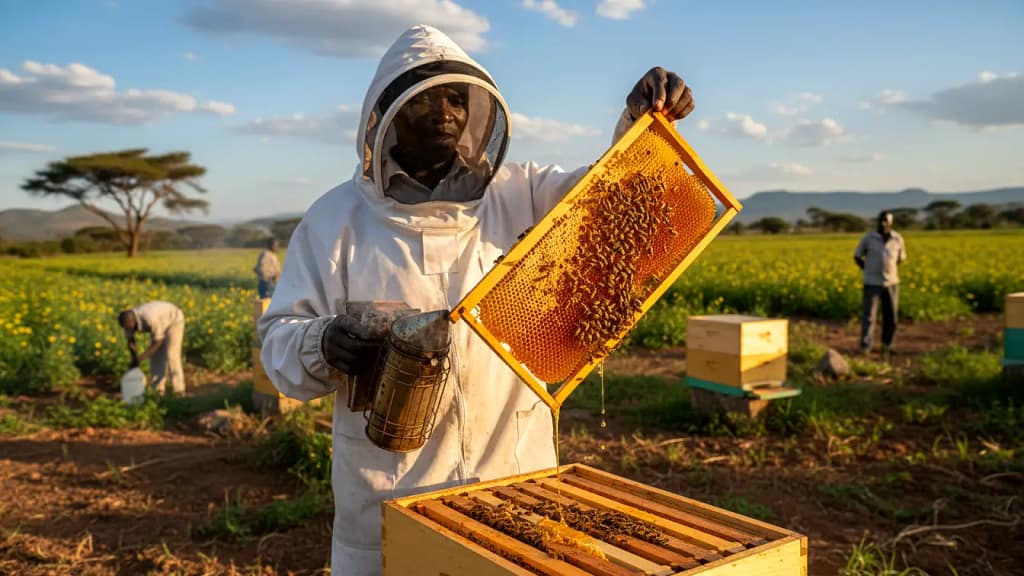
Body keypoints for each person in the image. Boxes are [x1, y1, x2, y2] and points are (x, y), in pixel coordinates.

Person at [258, 24, 695, 575]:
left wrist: (640, 125)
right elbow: (278, 343)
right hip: (389, 502)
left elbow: (611, 201)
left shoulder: (524, 194)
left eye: (456, 99)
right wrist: (321, 341)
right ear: (388, 115)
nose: (446, 112)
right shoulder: (335, 222)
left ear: (478, 114)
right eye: (426, 100)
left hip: (514, 489)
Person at [854, 210, 907, 356]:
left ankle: (887, 345)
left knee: (891, 316)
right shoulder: (869, 238)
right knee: (869, 316)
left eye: (887, 220)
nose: (884, 222)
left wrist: (890, 271)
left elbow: (900, 259)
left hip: (892, 283)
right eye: (882, 219)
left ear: (891, 222)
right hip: (871, 282)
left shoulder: (897, 239)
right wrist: (867, 269)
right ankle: (866, 346)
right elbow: (857, 256)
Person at [118, 301, 186, 394]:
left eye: (130, 327)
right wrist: (134, 359)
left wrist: (140, 358)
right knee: (156, 359)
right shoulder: (128, 322)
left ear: (133, 322)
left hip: (174, 320)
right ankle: (157, 390)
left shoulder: (150, 318)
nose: (129, 329)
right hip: (161, 322)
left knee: (171, 355)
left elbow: (158, 343)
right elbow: (130, 341)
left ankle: (179, 390)